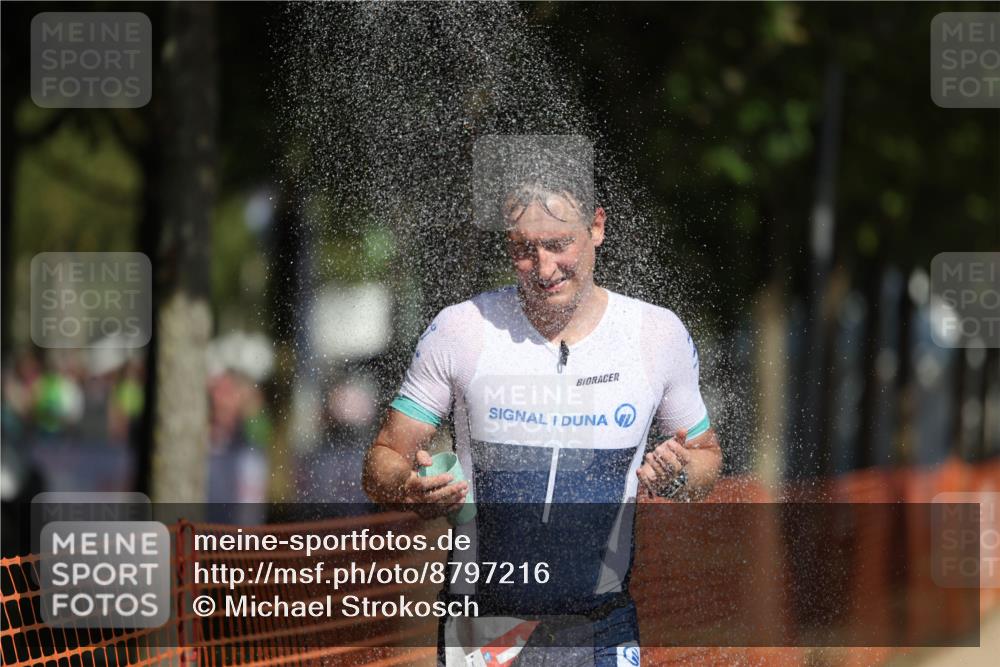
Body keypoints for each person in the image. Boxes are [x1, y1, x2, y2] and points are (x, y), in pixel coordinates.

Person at [363, 160, 722, 666]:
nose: (544, 268)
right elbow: (382, 458)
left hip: (602, 623)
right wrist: (406, 487)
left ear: (597, 227)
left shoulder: (655, 336)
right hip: (483, 623)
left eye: (558, 245)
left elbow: (705, 457)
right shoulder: (463, 330)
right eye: (524, 251)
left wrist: (679, 476)